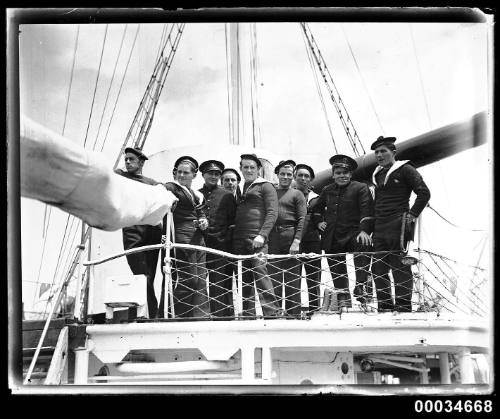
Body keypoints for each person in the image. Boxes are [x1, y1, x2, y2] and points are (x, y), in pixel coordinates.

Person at [370, 136, 431, 312]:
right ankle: (385, 306)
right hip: (380, 225)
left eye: (383, 151)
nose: (379, 155)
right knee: (378, 267)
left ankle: (404, 307)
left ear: (393, 152)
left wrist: (412, 215)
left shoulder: (405, 169)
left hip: (399, 223)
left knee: (400, 266)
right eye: (377, 152)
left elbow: (424, 193)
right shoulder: (378, 174)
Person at [312, 154, 374, 309]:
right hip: (333, 235)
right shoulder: (327, 190)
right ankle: (343, 302)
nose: (342, 176)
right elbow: (316, 210)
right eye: (338, 173)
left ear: (350, 174)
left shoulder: (360, 188)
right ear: (333, 175)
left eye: (345, 173)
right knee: (337, 271)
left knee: (363, 246)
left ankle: (361, 288)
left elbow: (367, 209)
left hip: (354, 233)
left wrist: (365, 231)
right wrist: (319, 222)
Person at [159, 156, 210, 318]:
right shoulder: (172, 188)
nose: (181, 175)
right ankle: (180, 315)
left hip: (198, 239)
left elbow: (202, 213)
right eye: (179, 172)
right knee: (187, 277)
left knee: (201, 277)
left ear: (194, 175)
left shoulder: (197, 195)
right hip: (180, 238)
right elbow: (160, 192)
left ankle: (200, 315)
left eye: (185, 173)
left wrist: (204, 221)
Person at [114, 147, 163, 319]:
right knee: (141, 275)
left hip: (152, 233)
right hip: (133, 234)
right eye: (126, 159)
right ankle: (151, 313)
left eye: (131, 159)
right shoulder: (120, 176)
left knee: (150, 274)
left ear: (141, 162)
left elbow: (163, 200)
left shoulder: (152, 183)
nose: (127, 162)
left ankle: (146, 313)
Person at [232, 154, 282, 317]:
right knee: (244, 277)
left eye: (252, 167)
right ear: (241, 169)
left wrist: (262, 235)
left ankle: (271, 312)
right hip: (241, 239)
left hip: (257, 238)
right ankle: (248, 313)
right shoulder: (242, 187)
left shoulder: (265, 186)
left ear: (258, 169)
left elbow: (272, 212)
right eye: (245, 167)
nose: (248, 170)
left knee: (260, 272)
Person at [267, 160, 307, 317]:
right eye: (282, 174)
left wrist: (296, 241)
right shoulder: (270, 193)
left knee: (292, 281)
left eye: (289, 174)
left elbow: (302, 219)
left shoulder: (297, 194)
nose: (285, 177)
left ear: (293, 177)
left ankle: (293, 315)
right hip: (273, 238)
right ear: (277, 175)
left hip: (290, 236)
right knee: (274, 279)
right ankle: (275, 315)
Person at [198, 160, 237, 318]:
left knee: (220, 285)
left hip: (221, 247)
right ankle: (202, 315)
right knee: (199, 282)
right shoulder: (197, 194)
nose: (213, 176)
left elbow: (233, 223)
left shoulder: (227, 195)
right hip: (201, 245)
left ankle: (223, 317)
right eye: (210, 173)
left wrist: (225, 241)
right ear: (203, 175)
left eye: (216, 174)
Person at [293, 163, 322, 314]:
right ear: (295, 177)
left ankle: (315, 309)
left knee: (314, 277)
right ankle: (294, 310)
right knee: (293, 278)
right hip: (294, 242)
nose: (303, 179)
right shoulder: (289, 195)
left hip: (312, 242)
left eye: (307, 176)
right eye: (300, 176)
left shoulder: (317, 199)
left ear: (311, 180)